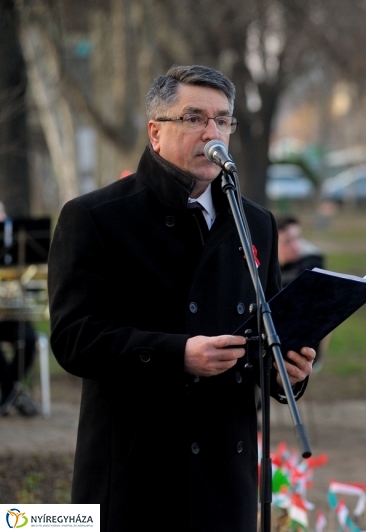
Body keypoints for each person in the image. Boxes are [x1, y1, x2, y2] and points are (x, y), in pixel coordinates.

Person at [47, 65, 315, 532]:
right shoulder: (95, 218)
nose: (212, 132)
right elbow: (74, 339)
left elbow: (267, 328)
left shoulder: (256, 222)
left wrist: (284, 368)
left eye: (222, 120)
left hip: (224, 476)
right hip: (136, 470)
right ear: (155, 132)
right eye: (193, 118)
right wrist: (177, 355)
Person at [0, 200, 40, 417]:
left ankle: (8, 395)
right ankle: (15, 394)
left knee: (30, 339)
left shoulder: (19, 244)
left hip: (12, 316)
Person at [276, 214, 325, 285]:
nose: (295, 246)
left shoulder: (311, 263)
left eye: (298, 238)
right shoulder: (261, 274)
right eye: (287, 241)